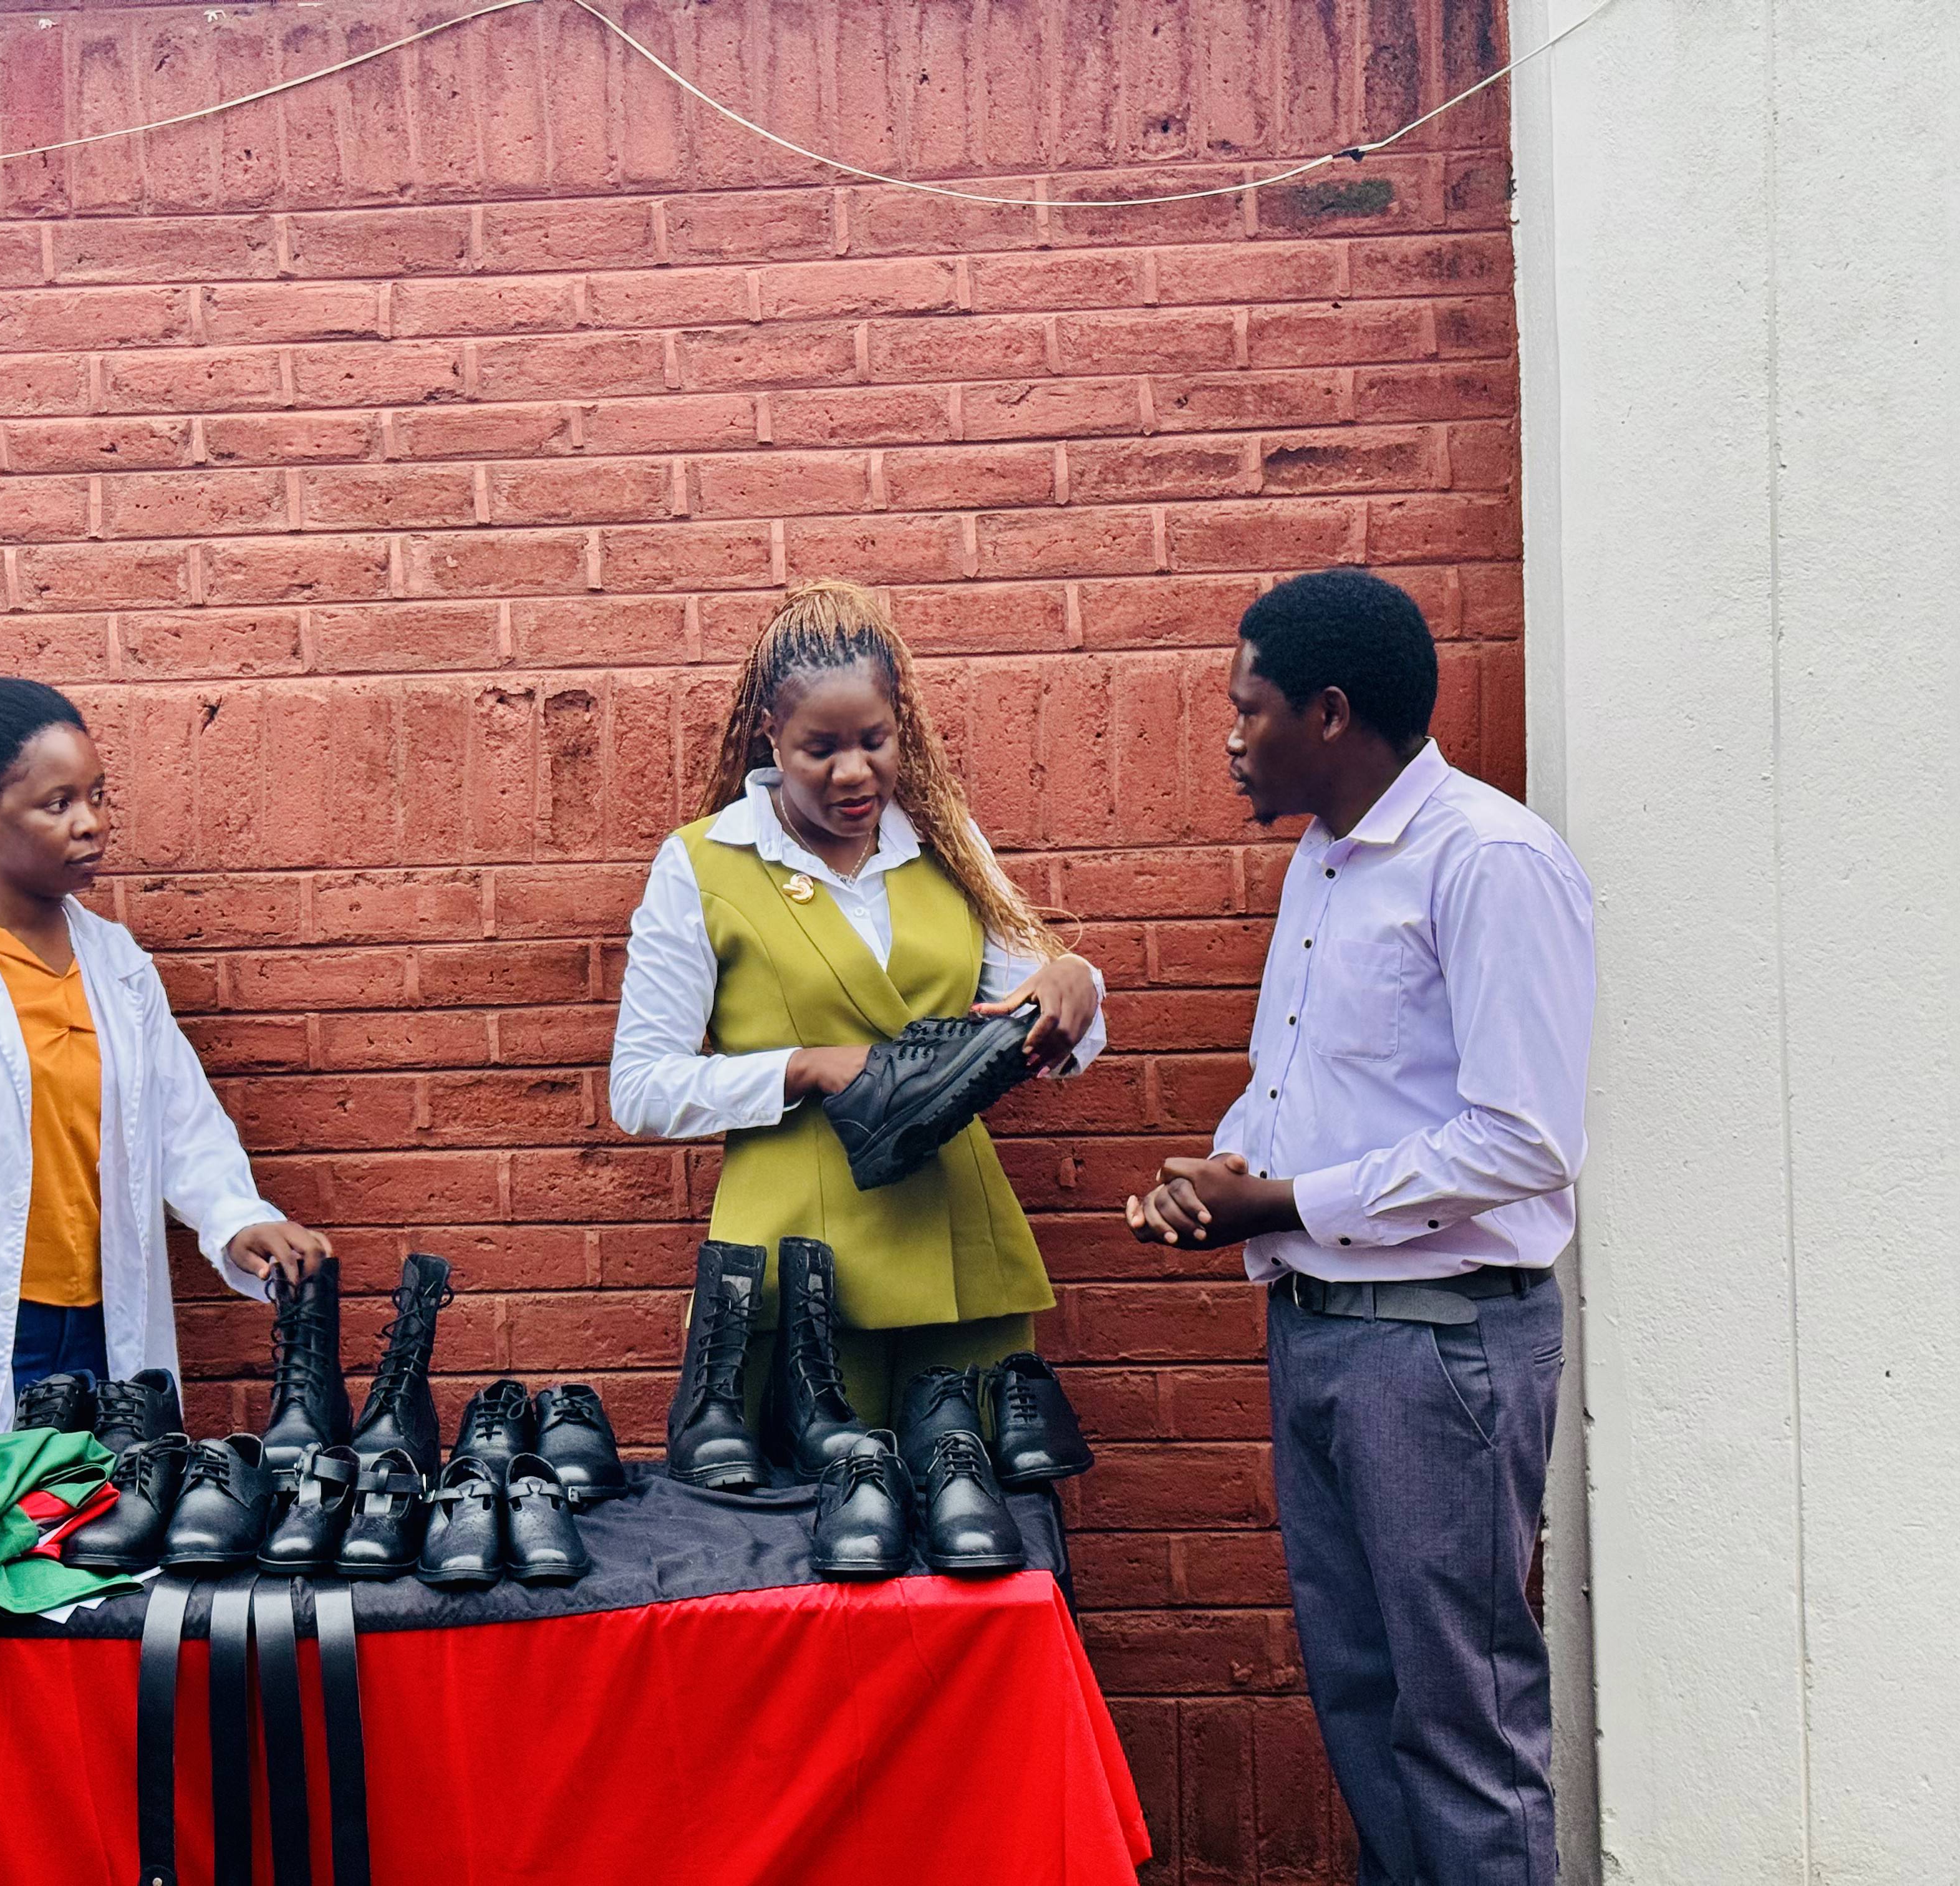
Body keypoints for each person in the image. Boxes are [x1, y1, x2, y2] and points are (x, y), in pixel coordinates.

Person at [1127, 569, 1594, 1885]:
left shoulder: (1489, 861)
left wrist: (1280, 1204)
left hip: (1440, 1351)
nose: (1231, 737)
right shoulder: (1325, 864)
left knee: (1461, 1725)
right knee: (1367, 1707)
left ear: (1329, 714)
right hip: (1325, 1332)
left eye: (1250, 708)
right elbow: (1313, 1086)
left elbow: (1526, 1139)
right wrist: (1223, 1175)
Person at [0, 676, 329, 1618]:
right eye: (58, 803)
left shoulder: (117, 965)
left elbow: (180, 1125)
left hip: (105, 1336)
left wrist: (239, 1218)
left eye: (98, 796)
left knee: (93, 1592)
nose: (92, 824)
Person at [609, 578, 1107, 1428]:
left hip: (956, 1247)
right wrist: (805, 1068)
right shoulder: (703, 864)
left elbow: (1038, 1025)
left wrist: (1076, 984)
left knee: (975, 1498)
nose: (854, 773)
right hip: (791, 1267)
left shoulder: (946, 841)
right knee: (812, 1507)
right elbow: (640, 1087)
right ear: (770, 733)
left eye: (876, 741)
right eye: (820, 749)